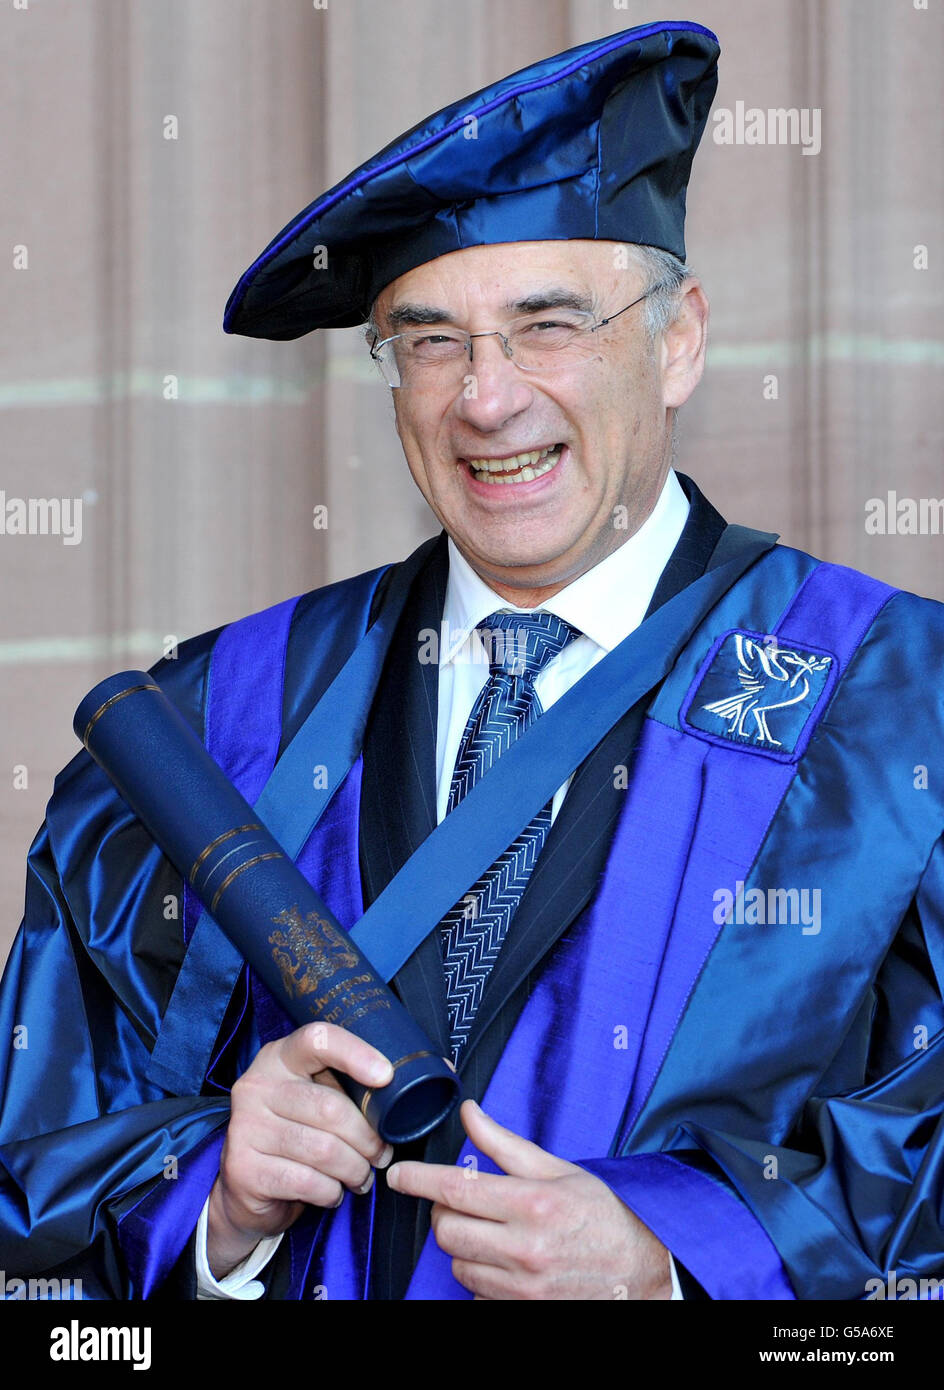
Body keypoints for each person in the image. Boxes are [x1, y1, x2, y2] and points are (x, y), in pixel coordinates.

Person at [1, 21, 943, 1303]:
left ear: (676, 342)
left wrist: (675, 1264)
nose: (484, 399)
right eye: (429, 339)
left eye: (548, 324)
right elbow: (40, 1208)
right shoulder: (214, 720)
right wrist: (215, 1208)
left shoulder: (894, 711)